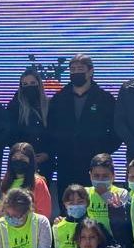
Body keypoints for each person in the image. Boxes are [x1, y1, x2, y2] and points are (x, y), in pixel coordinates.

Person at [48, 54, 119, 189]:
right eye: (72, 69)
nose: (76, 72)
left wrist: (103, 151)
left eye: (80, 69)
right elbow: (51, 129)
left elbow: (116, 130)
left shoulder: (105, 99)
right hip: (66, 163)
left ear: (91, 71)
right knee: (67, 204)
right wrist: (58, 150)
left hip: (95, 165)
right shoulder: (59, 99)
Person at [6, 68, 55, 178]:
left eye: (33, 83)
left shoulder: (49, 106)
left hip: (45, 164)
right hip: (21, 164)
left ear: (39, 84)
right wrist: (23, 155)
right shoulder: (14, 107)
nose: (29, 87)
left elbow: (56, 134)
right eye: (25, 84)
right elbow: (10, 136)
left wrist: (48, 154)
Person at [0, 142, 52, 219]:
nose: (18, 160)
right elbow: (2, 209)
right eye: (14, 158)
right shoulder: (7, 181)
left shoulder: (38, 182)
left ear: (31, 161)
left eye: (22, 158)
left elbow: (44, 213)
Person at [85, 153, 128, 233]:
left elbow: (123, 221)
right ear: (90, 176)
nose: (100, 179)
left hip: (115, 241)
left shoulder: (122, 193)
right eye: (96, 176)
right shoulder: (85, 193)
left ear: (113, 176)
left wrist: (105, 194)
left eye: (105, 176)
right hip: (92, 240)